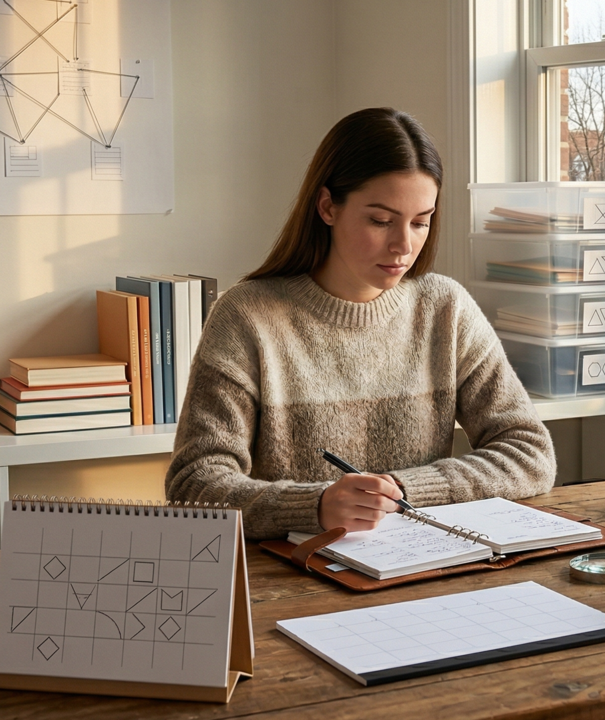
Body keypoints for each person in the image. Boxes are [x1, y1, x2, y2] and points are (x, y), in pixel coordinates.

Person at [165, 107, 556, 539]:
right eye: (380, 221)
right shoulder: (247, 316)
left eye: (420, 222)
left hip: (423, 562)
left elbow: (530, 454)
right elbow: (193, 485)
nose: (403, 245)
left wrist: (402, 490)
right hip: (297, 568)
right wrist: (315, 505)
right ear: (327, 207)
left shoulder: (446, 308)